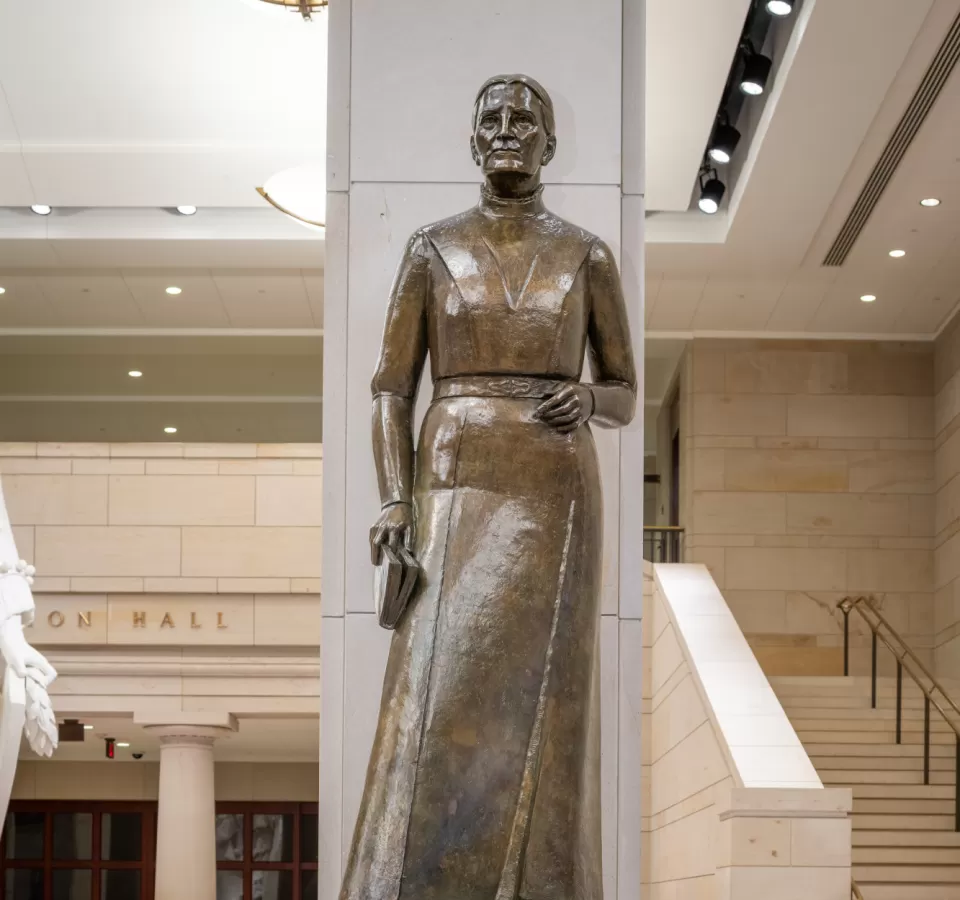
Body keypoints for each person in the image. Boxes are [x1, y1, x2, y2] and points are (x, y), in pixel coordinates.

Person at [342, 74, 637, 900]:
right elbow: (391, 389)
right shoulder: (432, 248)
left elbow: (622, 386)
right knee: (433, 691)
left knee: (551, 702)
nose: (508, 132)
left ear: (550, 143)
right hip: (452, 476)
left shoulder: (587, 254)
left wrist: (591, 398)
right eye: (492, 121)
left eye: (524, 121)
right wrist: (395, 498)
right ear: (474, 143)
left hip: (556, 486)